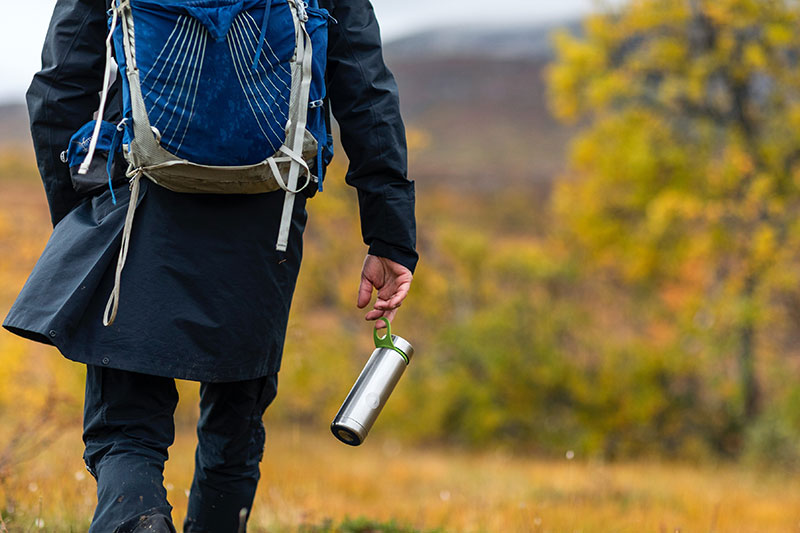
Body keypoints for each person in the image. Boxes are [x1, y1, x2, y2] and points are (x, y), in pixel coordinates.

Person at [2, 0, 418, 530]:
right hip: (266, 220)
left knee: (125, 429)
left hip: (138, 206)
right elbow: (367, 92)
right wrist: (389, 235)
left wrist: (82, 219)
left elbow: (57, 87)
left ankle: (139, 521)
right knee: (235, 431)